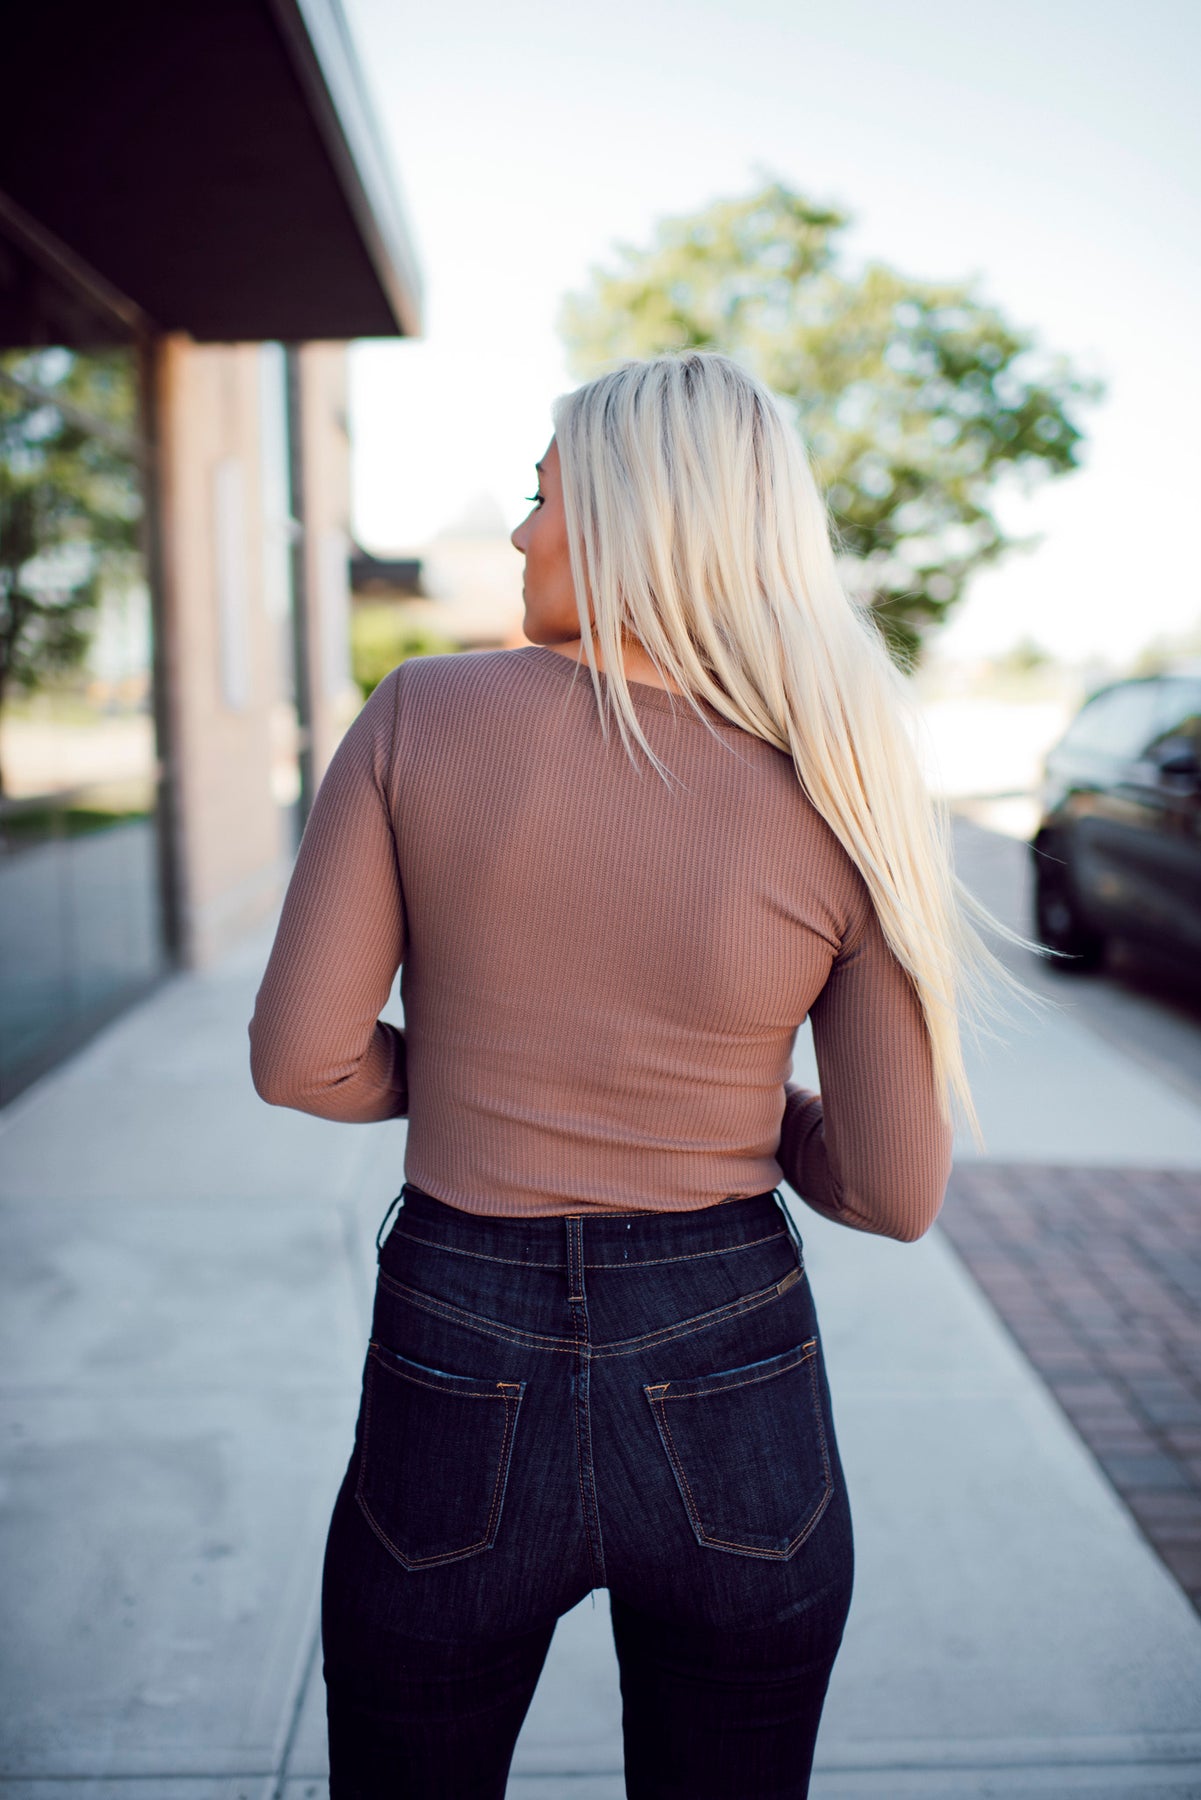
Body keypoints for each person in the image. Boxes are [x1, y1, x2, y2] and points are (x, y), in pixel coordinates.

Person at [248, 351, 1044, 1799]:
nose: (518, 533)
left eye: (542, 494)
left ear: (631, 516)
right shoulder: (845, 771)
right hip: (728, 1350)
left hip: (458, 1338)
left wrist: (486, 1075)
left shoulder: (421, 714)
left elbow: (304, 1060)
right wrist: (719, 1103)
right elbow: (892, 1188)